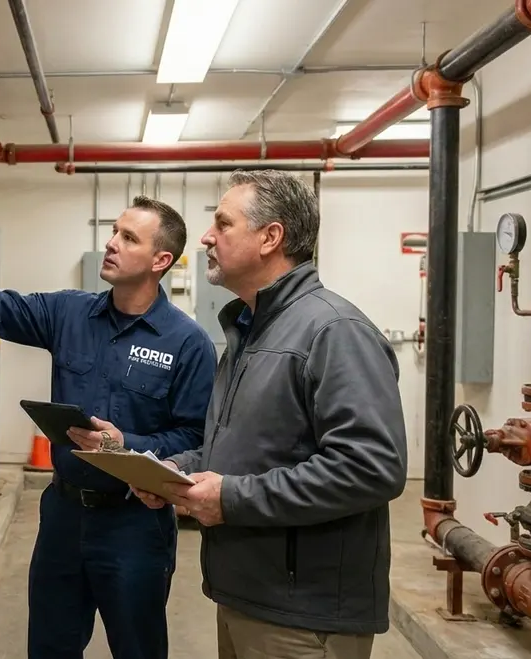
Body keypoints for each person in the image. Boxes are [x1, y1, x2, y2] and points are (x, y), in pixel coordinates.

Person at [0, 188, 217, 659]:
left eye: (128, 237)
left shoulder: (188, 342)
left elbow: (195, 436)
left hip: (135, 524)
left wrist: (123, 443)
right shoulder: (69, 312)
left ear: (161, 261)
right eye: (113, 231)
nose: (112, 242)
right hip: (63, 517)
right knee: (50, 647)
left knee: (138, 649)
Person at [132, 169, 407, 659]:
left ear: (270, 237)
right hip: (247, 595)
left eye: (223, 223)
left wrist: (232, 499)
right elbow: (248, 449)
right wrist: (178, 473)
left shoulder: (333, 331)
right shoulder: (250, 332)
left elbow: (371, 468)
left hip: (303, 618)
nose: (207, 237)